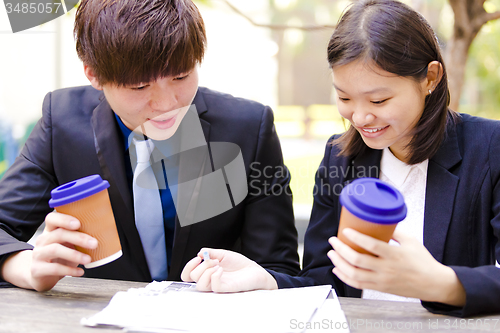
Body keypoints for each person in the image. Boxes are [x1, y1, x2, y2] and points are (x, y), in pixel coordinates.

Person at [181, 0, 500, 318]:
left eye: (379, 99)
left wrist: (438, 283)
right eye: (344, 97)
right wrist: (267, 280)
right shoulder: (340, 158)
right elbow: (323, 281)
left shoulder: (489, 150)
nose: (359, 117)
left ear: (430, 78)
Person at [0, 0, 300, 292]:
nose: (168, 105)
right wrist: (27, 268)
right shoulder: (62, 122)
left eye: (181, 76)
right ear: (93, 74)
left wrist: (259, 279)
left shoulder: (249, 128)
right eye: (139, 87)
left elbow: (280, 270)